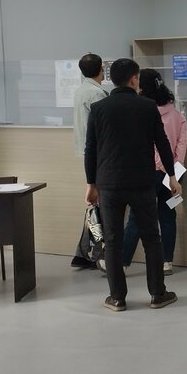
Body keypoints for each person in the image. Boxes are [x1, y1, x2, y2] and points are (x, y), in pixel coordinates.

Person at [85, 58, 181, 312]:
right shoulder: (147, 106)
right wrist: (172, 175)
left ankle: (117, 298)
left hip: (109, 183)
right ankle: (157, 294)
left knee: (113, 241)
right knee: (151, 238)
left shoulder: (98, 108)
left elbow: (90, 149)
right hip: (142, 182)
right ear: (134, 79)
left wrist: (90, 183)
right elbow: (162, 143)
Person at [116, 69, 187, 276]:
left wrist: (160, 165)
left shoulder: (143, 112)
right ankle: (167, 262)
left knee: (137, 218)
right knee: (168, 215)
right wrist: (173, 169)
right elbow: (181, 144)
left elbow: (149, 144)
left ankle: (123, 262)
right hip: (174, 174)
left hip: (148, 173)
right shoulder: (177, 114)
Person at [70, 53, 108, 270]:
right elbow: (104, 126)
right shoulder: (96, 94)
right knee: (101, 207)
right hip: (99, 154)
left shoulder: (80, 91)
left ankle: (84, 252)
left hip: (88, 153)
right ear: (101, 69)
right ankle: (95, 253)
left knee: (96, 206)